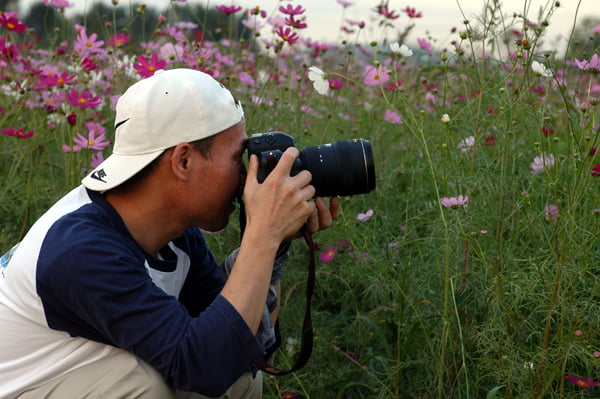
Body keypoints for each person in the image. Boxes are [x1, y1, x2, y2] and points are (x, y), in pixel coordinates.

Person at [0, 68, 339, 398]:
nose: (246, 174)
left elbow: (239, 342)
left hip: (77, 376)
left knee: (241, 379)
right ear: (183, 161)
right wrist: (263, 235)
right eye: (239, 157)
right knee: (143, 387)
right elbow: (204, 365)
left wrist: (273, 242)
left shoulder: (173, 235)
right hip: (23, 387)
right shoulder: (80, 248)